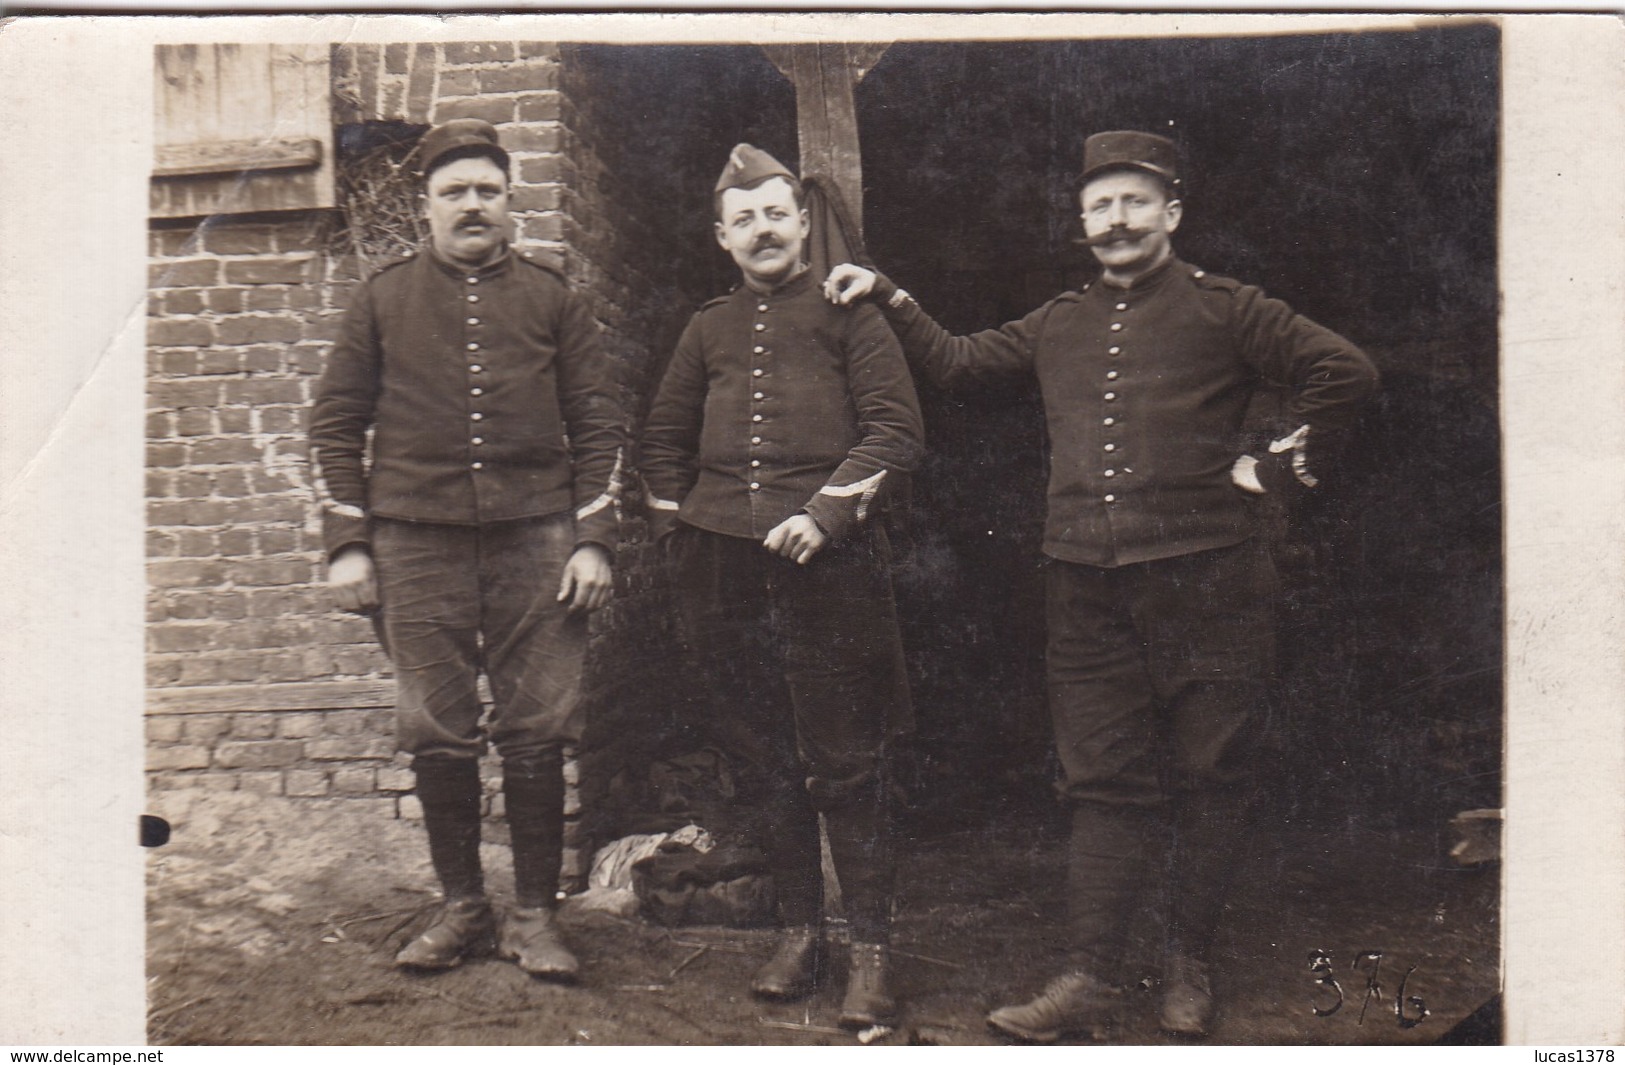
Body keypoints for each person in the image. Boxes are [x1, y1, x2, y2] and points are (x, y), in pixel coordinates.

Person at [826, 129, 1379, 1041]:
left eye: (1133, 202)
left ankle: (1188, 965)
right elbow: (960, 362)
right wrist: (886, 291)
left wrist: (1273, 467)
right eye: (1098, 207)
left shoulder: (1226, 307)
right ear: (1081, 225)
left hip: (1212, 581)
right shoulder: (1059, 321)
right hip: (1085, 587)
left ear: (1170, 212)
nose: (1115, 221)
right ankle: (1087, 977)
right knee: (1102, 782)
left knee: (1211, 771)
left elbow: (1343, 371)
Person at [309, 119, 624, 981]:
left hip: (539, 542)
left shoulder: (554, 298)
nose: (473, 205)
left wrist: (593, 538)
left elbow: (599, 427)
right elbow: (335, 426)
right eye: (455, 192)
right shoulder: (382, 299)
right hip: (413, 546)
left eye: (488, 189)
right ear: (427, 207)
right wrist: (348, 542)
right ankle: (461, 908)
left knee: (536, 729)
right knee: (436, 730)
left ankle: (532, 915)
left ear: (508, 201)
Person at [641, 144, 924, 1029]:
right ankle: (802, 933)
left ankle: (869, 954)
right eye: (744, 219)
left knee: (844, 759)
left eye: (776, 213)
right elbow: (659, 441)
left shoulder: (850, 316)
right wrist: (680, 530)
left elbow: (895, 430)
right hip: (724, 570)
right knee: (765, 755)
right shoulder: (707, 329)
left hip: (828, 566)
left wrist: (826, 515)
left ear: (802, 223)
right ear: (721, 237)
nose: (762, 230)